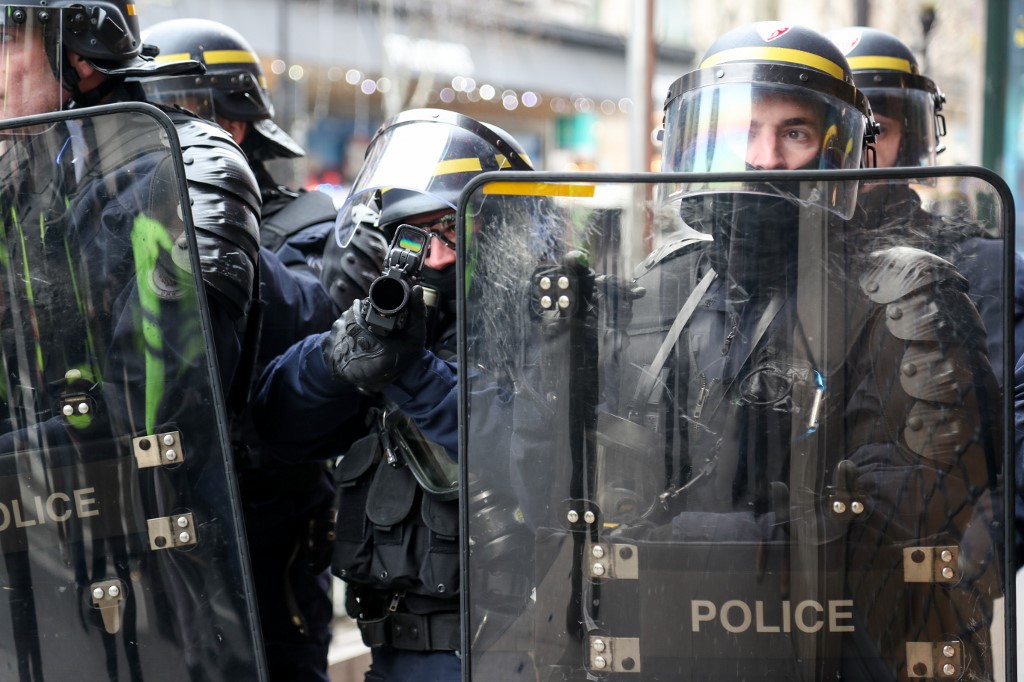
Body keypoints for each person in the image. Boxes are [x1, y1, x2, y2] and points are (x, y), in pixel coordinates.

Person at [457, 22, 1003, 680]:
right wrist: (555, 386)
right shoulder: (656, 289)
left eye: (794, 131)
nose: (764, 157)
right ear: (697, 139)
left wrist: (663, 543)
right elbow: (558, 508)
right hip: (664, 655)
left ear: (839, 151)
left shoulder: (902, 299)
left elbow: (899, 536)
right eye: (742, 128)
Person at [0, 2, 267, 678]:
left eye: (5, 41)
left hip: (164, 589)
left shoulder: (185, 164)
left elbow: (149, 415)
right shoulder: (20, 183)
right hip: (33, 576)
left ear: (81, 55)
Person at [139, 19, 388, 681]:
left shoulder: (309, 230)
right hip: (158, 511)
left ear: (231, 126)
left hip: (263, 526)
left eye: (166, 113)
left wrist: (220, 248)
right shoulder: (129, 223)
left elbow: (307, 340)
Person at [249, 108, 532, 680]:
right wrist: (336, 360)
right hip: (392, 653)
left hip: (508, 651)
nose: (436, 254)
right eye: (416, 234)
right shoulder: (398, 319)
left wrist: (412, 371)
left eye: (452, 228)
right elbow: (274, 425)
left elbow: (525, 453)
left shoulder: (543, 329)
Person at [828, 25, 1024, 382]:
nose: (858, 149)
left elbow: (999, 419)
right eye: (840, 128)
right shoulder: (768, 267)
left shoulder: (985, 269)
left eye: (877, 129)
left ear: (909, 140)